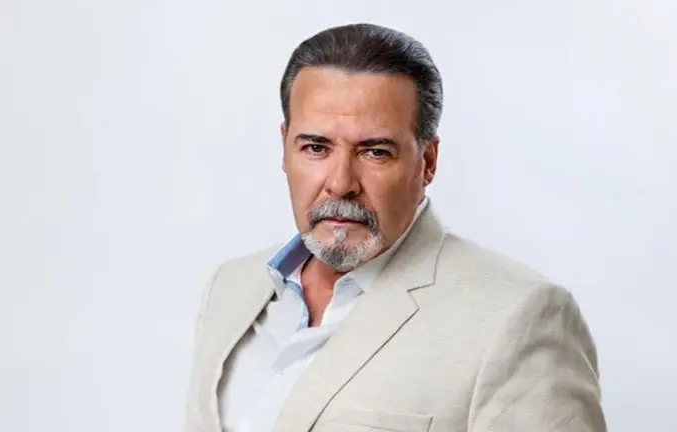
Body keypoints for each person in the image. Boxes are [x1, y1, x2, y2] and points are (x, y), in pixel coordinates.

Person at [185, 23, 607, 432]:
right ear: (285, 148)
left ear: (428, 162)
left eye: (375, 152)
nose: (341, 183)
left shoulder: (517, 316)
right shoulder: (230, 287)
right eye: (316, 147)